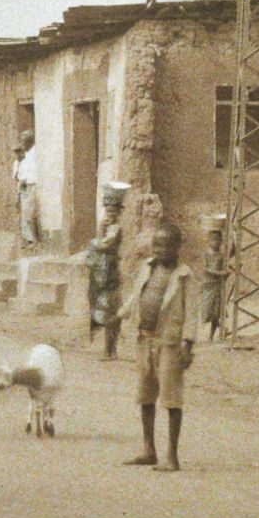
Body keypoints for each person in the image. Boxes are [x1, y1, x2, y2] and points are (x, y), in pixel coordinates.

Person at [119, 221, 198, 472]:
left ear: (177, 247)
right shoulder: (147, 268)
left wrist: (188, 344)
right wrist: (118, 315)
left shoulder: (185, 277)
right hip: (145, 339)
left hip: (170, 343)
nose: (160, 249)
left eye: (166, 245)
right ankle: (148, 450)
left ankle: (172, 456)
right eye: (157, 244)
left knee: (172, 399)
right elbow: (135, 297)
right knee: (145, 396)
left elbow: (192, 313)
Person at [85, 182, 129, 360]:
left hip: (110, 274)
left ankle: (110, 349)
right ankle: (108, 348)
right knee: (102, 310)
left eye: (113, 212)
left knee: (111, 312)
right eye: (107, 211)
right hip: (100, 274)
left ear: (118, 213)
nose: (109, 215)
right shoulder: (105, 228)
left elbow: (105, 245)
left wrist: (93, 243)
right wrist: (99, 232)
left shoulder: (116, 230)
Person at [0, 342, 64, 438]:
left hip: (42, 375)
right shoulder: (51, 374)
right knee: (46, 400)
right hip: (47, 377)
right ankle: (47, 422)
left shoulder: (37, 360)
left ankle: (38, 422)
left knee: (37, 400)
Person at [199, 214, 229, 341]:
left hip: (217, 285)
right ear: (208, 241)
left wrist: (233, 233)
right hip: (208, 285)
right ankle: (222, 329)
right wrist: (220, 273)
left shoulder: (221, 255)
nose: (216, 243)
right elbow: (205, 269)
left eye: (219, 241)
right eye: (214, 240)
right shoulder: (206, 254)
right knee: (207, 310)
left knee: (216, 312)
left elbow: (231, 253)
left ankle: (212, 336)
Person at [14, 131, 40, 247]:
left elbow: (33, 171)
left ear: (29, 140)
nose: (22, 143)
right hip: (25, 186)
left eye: (24, 140)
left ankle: (34, 240)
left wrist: (25, 180)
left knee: (30, 213)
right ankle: (29, 239)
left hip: (32, 184)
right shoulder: (25, 156)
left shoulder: (35, 153)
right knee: (25, 214)